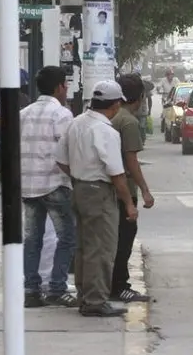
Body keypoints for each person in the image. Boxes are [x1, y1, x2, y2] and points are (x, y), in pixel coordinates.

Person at [55, 80, 138, 317]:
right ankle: (95, 300)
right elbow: (117, 173)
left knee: (85, 246)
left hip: (79, 188)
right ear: (115, 104)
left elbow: (60, 158)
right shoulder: (106, 131)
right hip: (99, 192)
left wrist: (79, 175)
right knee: (101, 248)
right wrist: (129, 204)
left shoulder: (76, 123)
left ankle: (85, 295)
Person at [20, 66, 78, 308]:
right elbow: (68, 152)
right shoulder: (61, 114)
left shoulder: (23, 113)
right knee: (67, 237)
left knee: (33, 239)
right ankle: (57, 287)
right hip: (54, 184)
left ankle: (31, 290)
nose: (66, 89)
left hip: (28, 185)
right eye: (65, 85)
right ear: (58, 87)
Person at [109, 74, 156, 303]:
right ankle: (119, 286)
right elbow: (131, 162)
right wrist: (145, 190)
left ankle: (112, 283)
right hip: (123, 190)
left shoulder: (113, 116)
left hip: (110, 190)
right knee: (124, 238)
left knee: (114, 239)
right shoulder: (128, 122)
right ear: (138, 97)